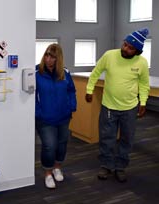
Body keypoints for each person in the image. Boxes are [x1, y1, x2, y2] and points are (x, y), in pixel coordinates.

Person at [85, 28, 150, 183]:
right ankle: (106, 165)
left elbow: (144, 84)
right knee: (107, 137)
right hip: (109, 106)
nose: (125, 49)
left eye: (130, 48)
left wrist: (143, 102)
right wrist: (89, 89)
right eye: (125, 44)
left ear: (137, 51)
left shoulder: (142, 62)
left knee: (127, 139)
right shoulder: (109, 55)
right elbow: (95, 72)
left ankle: (120, 167)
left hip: (130, 108)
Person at [35, 43, 77, 189]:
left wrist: (71, 106)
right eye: (46, 55)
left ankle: (57, 167)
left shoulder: (65, 73)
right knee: (49, 146)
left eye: (52, 56)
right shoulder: (36, 72)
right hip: (45, 118)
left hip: (63, 116)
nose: (48, 59)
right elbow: (32, 95)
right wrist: (38, 112)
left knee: (62, 144)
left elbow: (71, 90)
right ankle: (47, 173)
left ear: (58, 58)